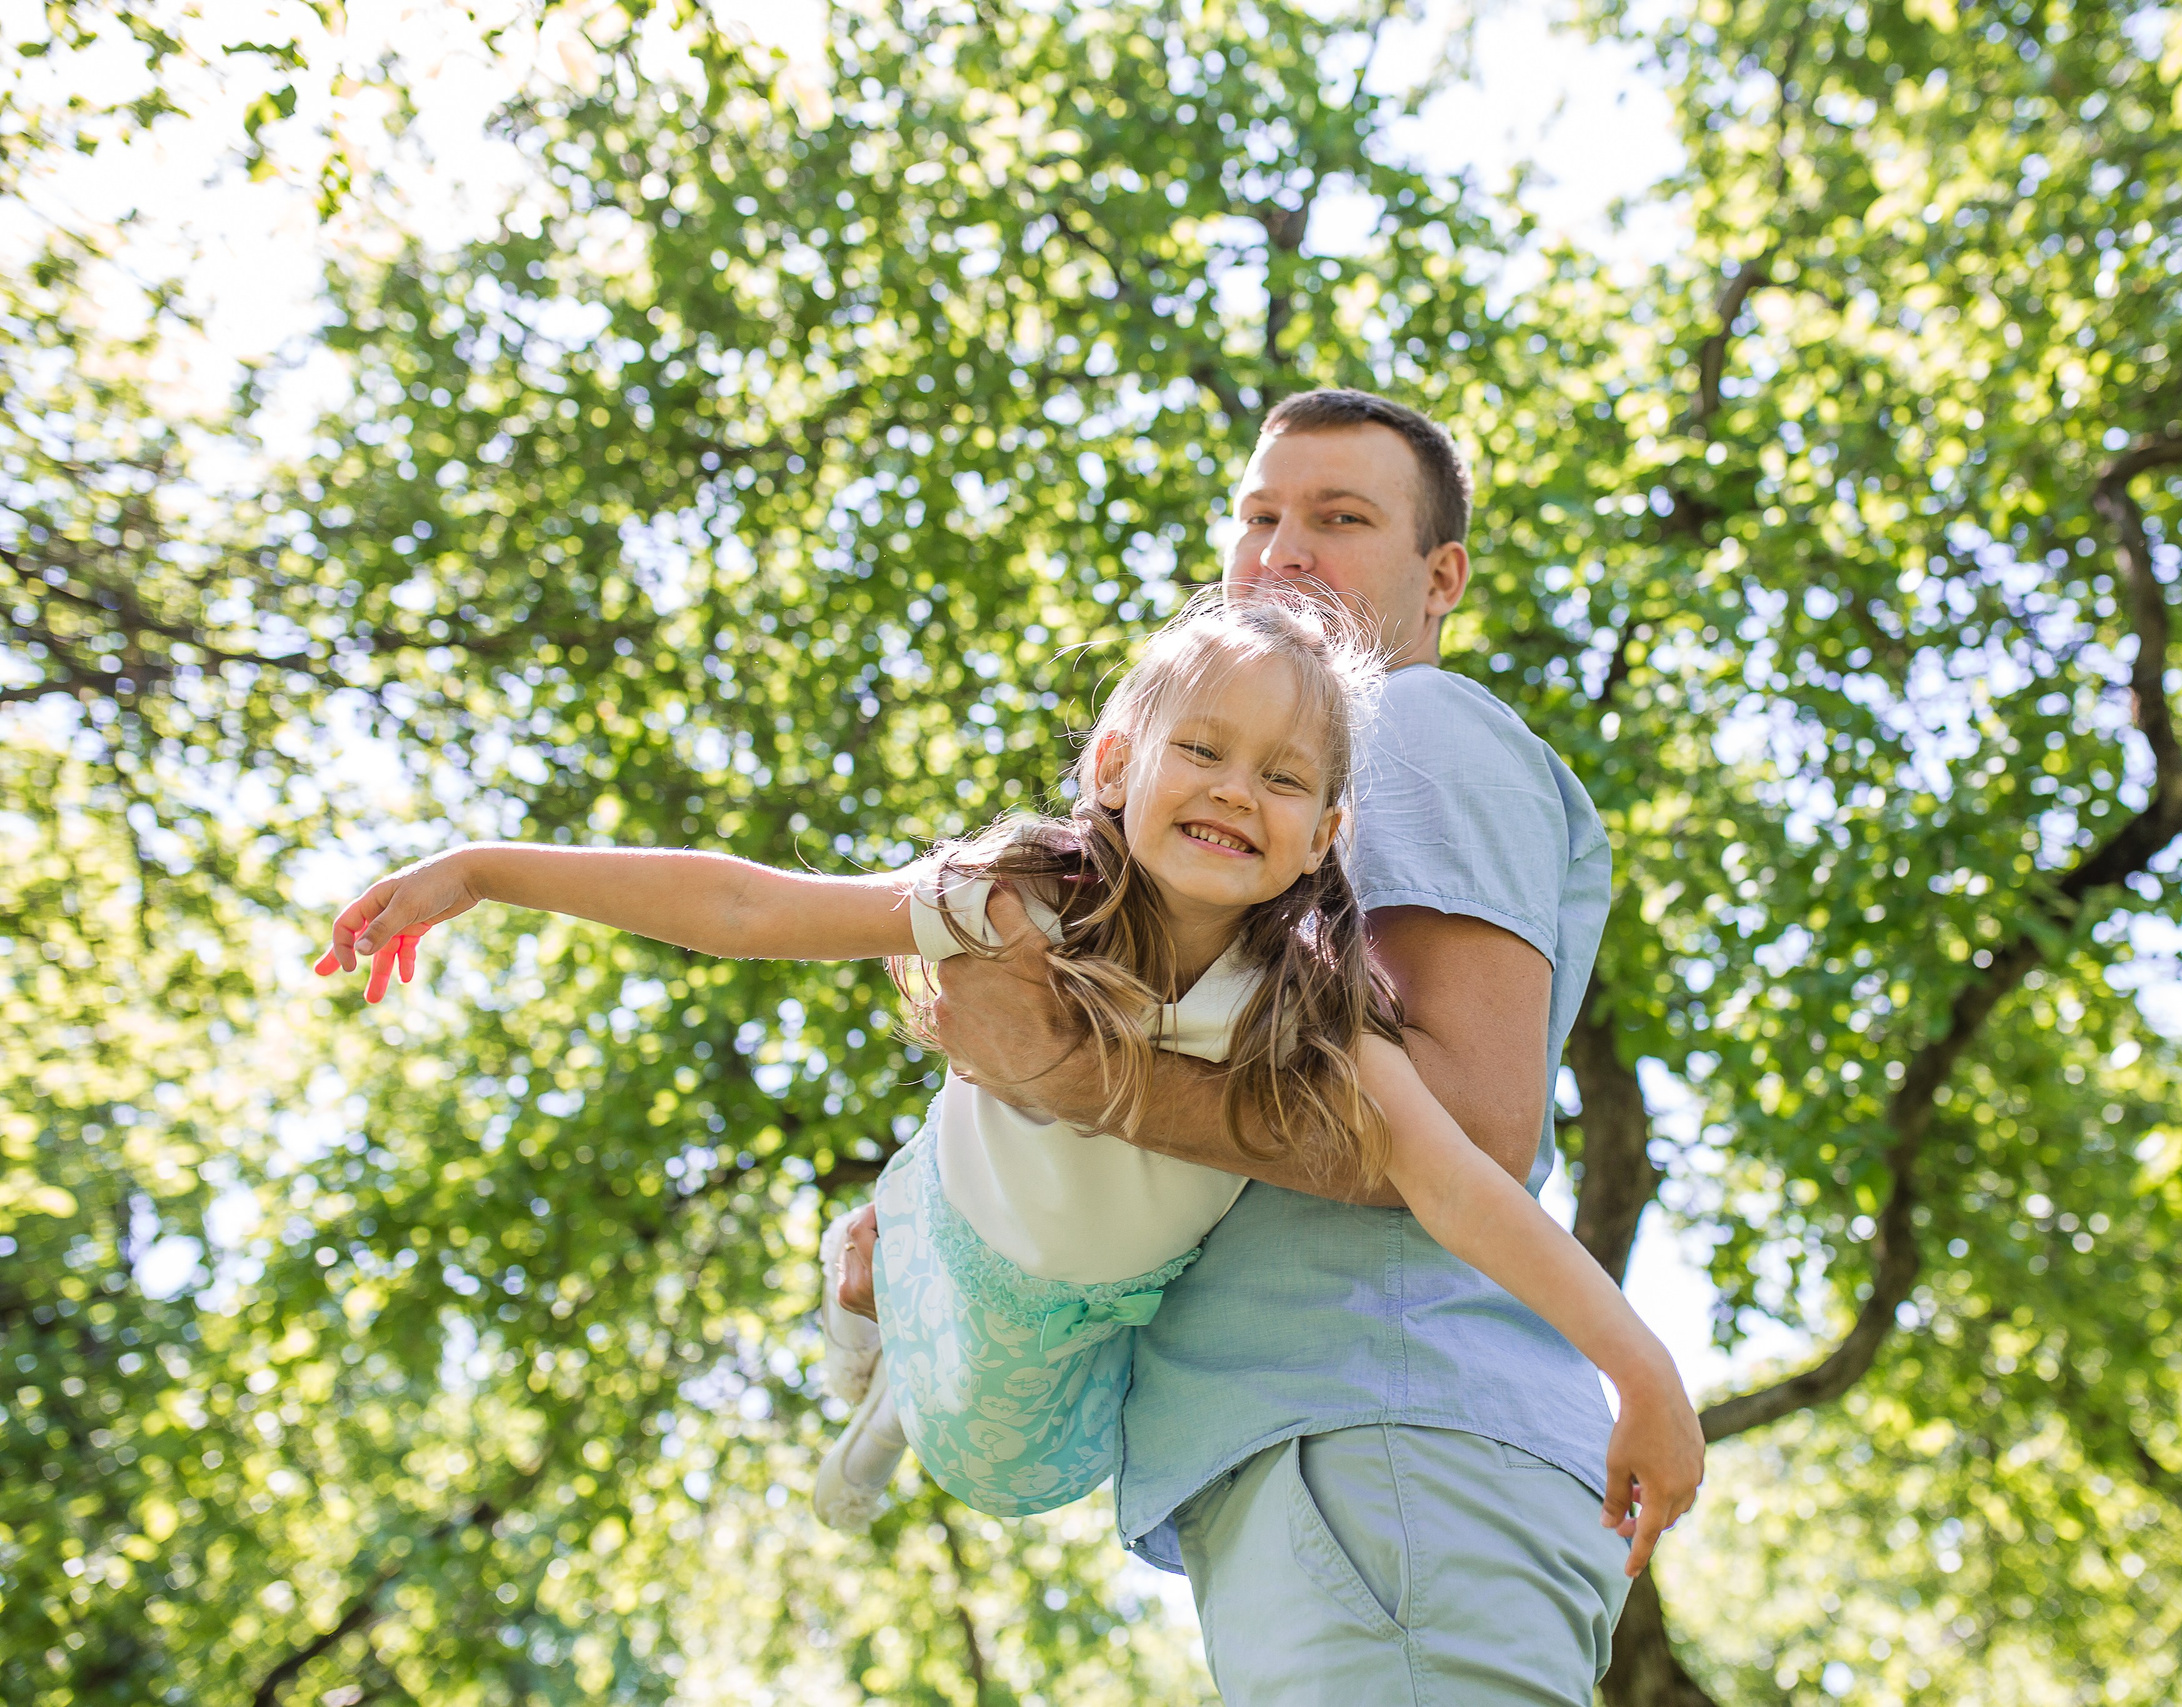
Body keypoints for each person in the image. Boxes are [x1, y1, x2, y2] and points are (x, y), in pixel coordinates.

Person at [313, 593, 1703, 1597]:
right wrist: (489, 867)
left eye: (1284, 778)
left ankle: (883, 1384)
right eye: (1202, 751)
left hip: (1095, 1308)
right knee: (921, 1325)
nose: (1237, 791)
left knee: (1006, 1451)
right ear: (1118, 766)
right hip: (976, 1216)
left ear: (1329, 835)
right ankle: (871, 1281)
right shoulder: (1016, 907)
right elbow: (749, 903)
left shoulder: (1315, 1013)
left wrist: (1637, 1368)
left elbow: (1462, 1184)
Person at [836, 388, 1652, 1702]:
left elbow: (1475, 1130)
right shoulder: (1261, 816)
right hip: (1344, 1466)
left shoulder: (1414, 728)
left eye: (1339, 520)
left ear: (1439, 578)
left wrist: (1063, 1070)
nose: (1281, 553)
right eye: (1258, 517)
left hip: (1384, 1444)